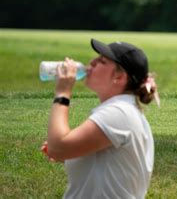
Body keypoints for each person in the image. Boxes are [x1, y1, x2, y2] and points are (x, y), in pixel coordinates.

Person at [41, 39, 159, 198]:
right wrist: (68, 149)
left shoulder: (118, 113)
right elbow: (63, 151)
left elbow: (58, 148)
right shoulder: (122, 109)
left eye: (102, 61)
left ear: (119, 77)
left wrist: (63, 93)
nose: (92, 62)